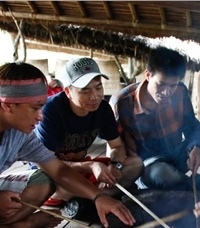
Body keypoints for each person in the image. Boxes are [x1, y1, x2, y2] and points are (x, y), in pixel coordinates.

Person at [0, 61, 135, 228]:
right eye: (35, 108)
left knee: (45, 180)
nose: (40, 116)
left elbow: (58, 169)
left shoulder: (21, 134)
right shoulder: (51, 113)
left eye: (41, 106)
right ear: (8, 105)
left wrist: (98, 197)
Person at [110, 46, 200, 194]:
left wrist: (196, 147)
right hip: (147, 166)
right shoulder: (121, 103)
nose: (167, 92)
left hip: (176, 154)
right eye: (161, 85)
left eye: (172, 86)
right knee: (163, 175)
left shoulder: (180, 91)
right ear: (148, 75)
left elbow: (192, 127)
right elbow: (114, 145)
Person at [34, 57, 143, 210]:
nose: (95, 96)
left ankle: (89, 200)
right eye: (85, 90)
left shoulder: (103, 109)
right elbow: (48, 163)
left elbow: (117, 146)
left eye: (98, 88)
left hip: (81, 167)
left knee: (135, 164)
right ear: (68, 92)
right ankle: (93, 197)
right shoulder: (50, 112)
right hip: (50, 172)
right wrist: (90, 166)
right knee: (62, 186)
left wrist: (115, 165)